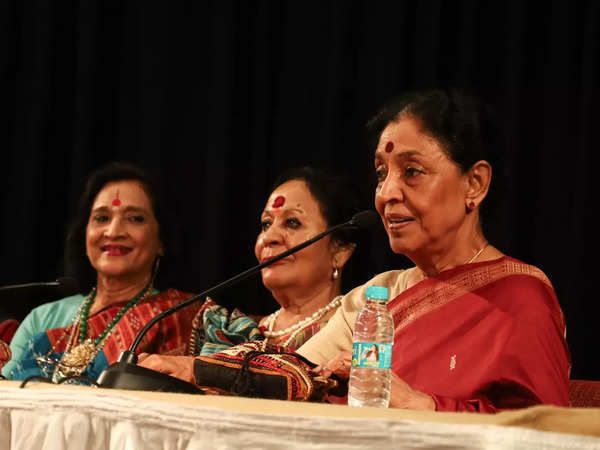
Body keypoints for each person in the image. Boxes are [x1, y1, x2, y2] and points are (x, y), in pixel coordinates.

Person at [296, 89, 571, 412]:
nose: (386, 194)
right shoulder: (376, 297)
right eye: (381, 173)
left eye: (412, 171)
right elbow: (296, 379)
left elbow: (543, 436)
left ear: (475, 184)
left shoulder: (520, 299)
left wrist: (421, 405)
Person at [138, 167, 361, 380]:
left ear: (340, 251)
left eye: (292, 222)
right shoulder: (236, 330)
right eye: (266, 224)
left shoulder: (356, 331)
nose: (269, 237)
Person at [2, 162, 199, 382]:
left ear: (161, 239)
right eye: (102, 218)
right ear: (85, 233)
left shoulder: (178, 316)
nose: (114, 231)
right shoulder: (43, 318)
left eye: (135, 218)